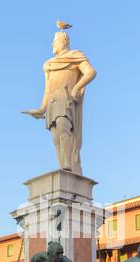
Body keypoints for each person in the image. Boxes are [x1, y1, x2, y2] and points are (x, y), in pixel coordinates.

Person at [23, 30, 96, 174]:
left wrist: (76, 88)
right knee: (55, 137)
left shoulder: (75, 56)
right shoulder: (49, 64)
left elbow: (91, 72)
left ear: (63, 41)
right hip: (52, 101)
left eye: (54, 41)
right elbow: (47, 90)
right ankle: (62, 165)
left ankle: (68, 164)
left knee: (63, 127)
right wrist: (41, 109)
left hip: (65, 97)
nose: (52, 44)